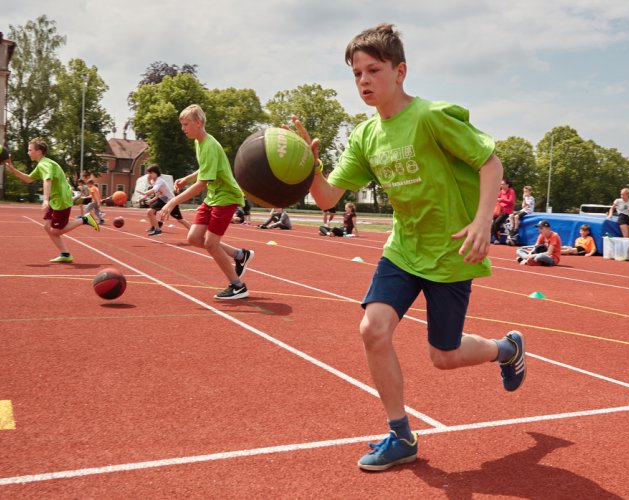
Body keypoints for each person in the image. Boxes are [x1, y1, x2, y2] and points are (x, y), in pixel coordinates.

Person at [296, 24, 526, 471]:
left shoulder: (429, 117)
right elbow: (326, 199)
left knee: (444, 356)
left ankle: (507, 349)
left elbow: (490, 162)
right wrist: (307, 163)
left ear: (400, 72)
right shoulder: (365, 136)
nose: (364, 80)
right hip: (402, 248)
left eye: (373, 70)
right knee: (372, 329)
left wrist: (482, 222)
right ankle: (401, 435)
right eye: (356, 73)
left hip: (450, 251)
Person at [157, 104, 255, 300]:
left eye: (186, 124)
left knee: (211, 243)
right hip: (213, 196)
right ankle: (239, 255)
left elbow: (202, 184)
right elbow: (204, 170)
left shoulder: (210, 145)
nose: (183, 129)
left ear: (199, 123)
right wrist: (187, 178)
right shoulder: (198, 142)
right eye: (181, 125)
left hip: (226, 196)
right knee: (194, 238)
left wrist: (172, 202)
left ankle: (238, 286)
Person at [0, 138, 100, 262]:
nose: (28, 152)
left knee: (56, 231)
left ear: (39, 151)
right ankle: (65, 254)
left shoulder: (44, 164)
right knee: (47, 227)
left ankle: (85, 219)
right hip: (55, 199)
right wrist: (14, 170)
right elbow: (29, 179)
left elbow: (47, 180)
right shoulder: (41, 164)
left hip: (61, 199)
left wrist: (45, 200)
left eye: (30, 150)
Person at [136, 166, 192, 236]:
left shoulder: (160, 181)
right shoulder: (152, 181)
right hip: (162, 200)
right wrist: (142, 199)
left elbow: (154, 190)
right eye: (148, 173)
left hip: (171, 201)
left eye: (151, 172)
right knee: (150, 212)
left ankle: (193, 230)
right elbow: (157, 194)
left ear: (156, 173)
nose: (149, 174)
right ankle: (156, 229)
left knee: (180, 219)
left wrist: (145, 193)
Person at [490, 179, 515, 244]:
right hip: (499, 210)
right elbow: (496, 199)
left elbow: (511, 201)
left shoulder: (511, 191)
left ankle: (494, 238)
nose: (501, 185)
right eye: (501, 184)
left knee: (496, 222)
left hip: (507, 211)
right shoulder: (501, 191)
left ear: (507, 185)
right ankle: (494, 238)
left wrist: (501, 200)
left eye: (503, 184)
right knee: (493, 222)